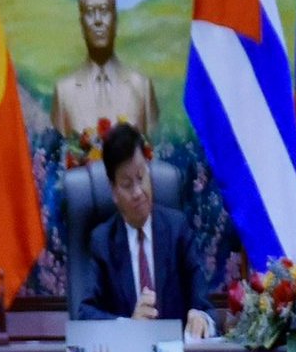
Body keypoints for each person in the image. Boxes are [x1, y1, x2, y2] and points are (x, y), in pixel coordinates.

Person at [75, 122, 214, 337]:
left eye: (141, 178)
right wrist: (129, 325)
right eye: (127, 184)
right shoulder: (102, 241)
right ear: (113, 191)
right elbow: (85, 313)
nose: (138, 192)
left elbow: (205, 305)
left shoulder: (178, 230)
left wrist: (202, 319)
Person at [52, 0, 159, 138]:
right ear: (81, 23)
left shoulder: (141, 87)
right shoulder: (64, 92)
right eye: (89, 12)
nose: (98, 20)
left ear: (115, 18)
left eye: (104, 10)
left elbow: (152, 149)